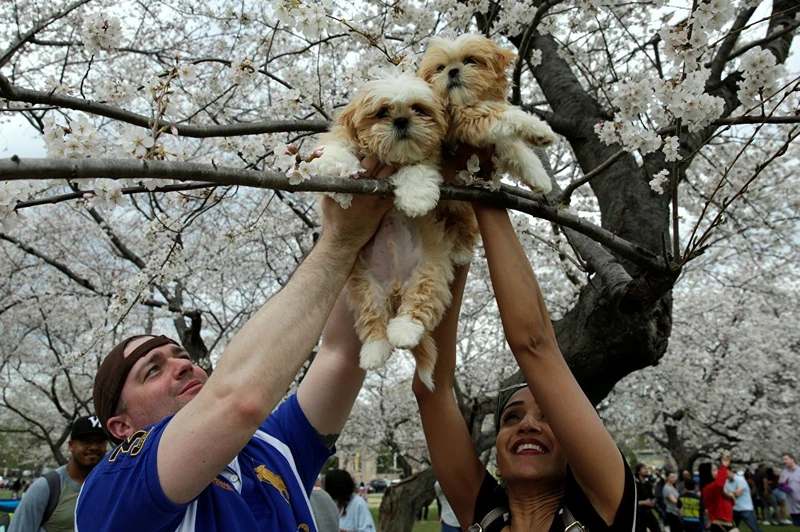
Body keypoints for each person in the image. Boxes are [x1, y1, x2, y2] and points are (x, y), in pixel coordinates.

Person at [75, 182, 394, 531]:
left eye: (181, 356)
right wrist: (340, 241)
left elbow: (341, 354)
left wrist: (383, 216)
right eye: (152, 371)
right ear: (123, 429)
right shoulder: (114, 489)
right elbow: (238, 401)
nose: (183, 365)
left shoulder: (273, 448)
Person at [412, 196, 637, 532]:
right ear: (497, 462)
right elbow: (432, 388)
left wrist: (482, 185)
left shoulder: (604, 510)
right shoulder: (487, 519)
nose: (527, 425)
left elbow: (536, 346)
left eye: (548, 417)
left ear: (577, 451)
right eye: (511, 416)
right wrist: (456, 220)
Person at [10, 415, 108, 532]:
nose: (94, 447)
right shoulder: (47, 487)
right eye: (85, 441)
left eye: (100, 441)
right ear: (71, 445)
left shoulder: (111, 486)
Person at [698, 455, 735, 532]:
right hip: (720, 525)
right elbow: (719, 484)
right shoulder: (709, 489)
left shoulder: (717, 490)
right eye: (714, 470)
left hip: (727, 523)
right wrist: (724, 467)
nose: (717, 472)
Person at [724, 468, 762, 532]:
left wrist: (729, 494)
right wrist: (730, 494)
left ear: (731, 472)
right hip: (734, 509)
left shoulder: (740, 479)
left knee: (755, 529)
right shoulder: (725, 481)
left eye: (727, 473)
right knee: (731, 529)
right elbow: (724, 494)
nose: (726, 475)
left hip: (746, 509)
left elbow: (738, 493)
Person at [636, 464, 663, 532]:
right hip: (639, 514)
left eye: (646, 468)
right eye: (644, 469)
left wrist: (653, 502)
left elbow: (652, 496)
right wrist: (644, 502)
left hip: (649, 511)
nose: (646, 470)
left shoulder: (648, 484)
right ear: (638, 471)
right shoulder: (636, 485)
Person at [778, 453, 800, 526]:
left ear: (792, 460)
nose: (784, 461)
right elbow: (781, 487)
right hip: (792, 504)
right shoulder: (784, 472)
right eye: (783, 459)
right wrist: (784, 485)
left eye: (786, 459)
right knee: (797, 525)